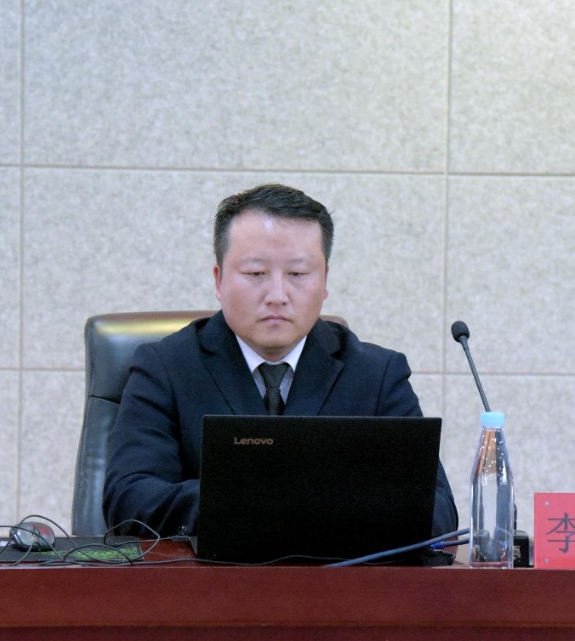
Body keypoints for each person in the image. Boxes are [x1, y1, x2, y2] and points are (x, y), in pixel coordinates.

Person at [102, 183, 458, 538]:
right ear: (219, 281)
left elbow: (437, 510)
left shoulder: (377, 376)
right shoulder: (166, 368)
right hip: (211, 572)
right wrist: (257, 502)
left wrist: (293, 504)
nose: (277, 295)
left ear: (325, 281)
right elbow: (128, 498)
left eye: (297, 274)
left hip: (336, 574)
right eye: (256, 274)